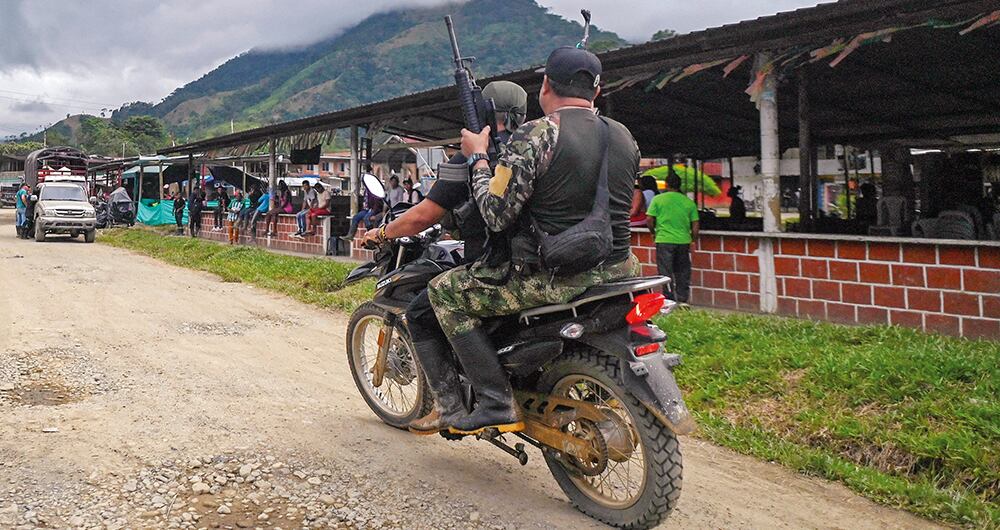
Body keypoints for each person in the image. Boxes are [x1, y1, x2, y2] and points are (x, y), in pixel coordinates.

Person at [419, 47, 640, 435]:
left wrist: (478, 159)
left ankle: (494, 401)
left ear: (546, 85)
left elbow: (494, 213)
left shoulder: (538, 134)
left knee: (443, 293)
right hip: (619, 269)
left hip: (552, 276)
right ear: (597, 90)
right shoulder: (622, 135)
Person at [362, 80, 529, 434]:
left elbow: (423, 216)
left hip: (492, 267)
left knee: (422, 312)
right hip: (535, 266)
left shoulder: (468, 160)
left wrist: (380, 233)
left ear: (484, 112)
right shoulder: (532, 149)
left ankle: (448, 408)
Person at [646, 172, 699, 304]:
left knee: (665, 272)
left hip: (663, 240)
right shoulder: (688, 202)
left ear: (666, 184)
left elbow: (649, 219)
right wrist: (693, 240)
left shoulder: (658, 199)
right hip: (683, 241)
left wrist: (653, 232)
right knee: (682, 271)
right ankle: (683, 300)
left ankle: (669, 300)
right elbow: (695, 225)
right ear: (679, 185)